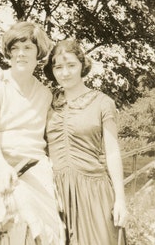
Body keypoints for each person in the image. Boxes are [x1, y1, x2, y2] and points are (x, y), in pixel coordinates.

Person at [0, 21, 65, 245]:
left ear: (38, 52)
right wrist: (3, 167)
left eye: (27, 48)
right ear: (8, 53)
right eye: (15, 48)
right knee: (20, 208)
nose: (21, 54)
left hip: (34, 168)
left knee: (53, 230)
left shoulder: (44, 94)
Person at [43, 39, 128, 244]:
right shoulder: (46, 101)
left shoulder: (102, 102)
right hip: (56, 195)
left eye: (71, 65)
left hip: (94, 193)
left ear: (82, 65)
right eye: (59, 67)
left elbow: (112, 152)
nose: (65, 72)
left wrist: (121, 200)